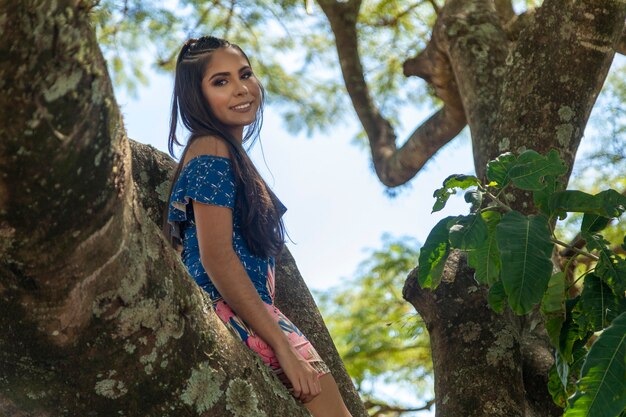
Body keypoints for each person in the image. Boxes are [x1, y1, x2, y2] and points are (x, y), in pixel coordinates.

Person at [162, 36, 353, 416]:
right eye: (221, 81)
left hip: (243, 315)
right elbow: (216, 257)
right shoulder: (211, 149)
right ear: (196, 97)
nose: (241, 88)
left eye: (245, 74)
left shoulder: (225, 153)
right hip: (237, 316)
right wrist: (283, 348)